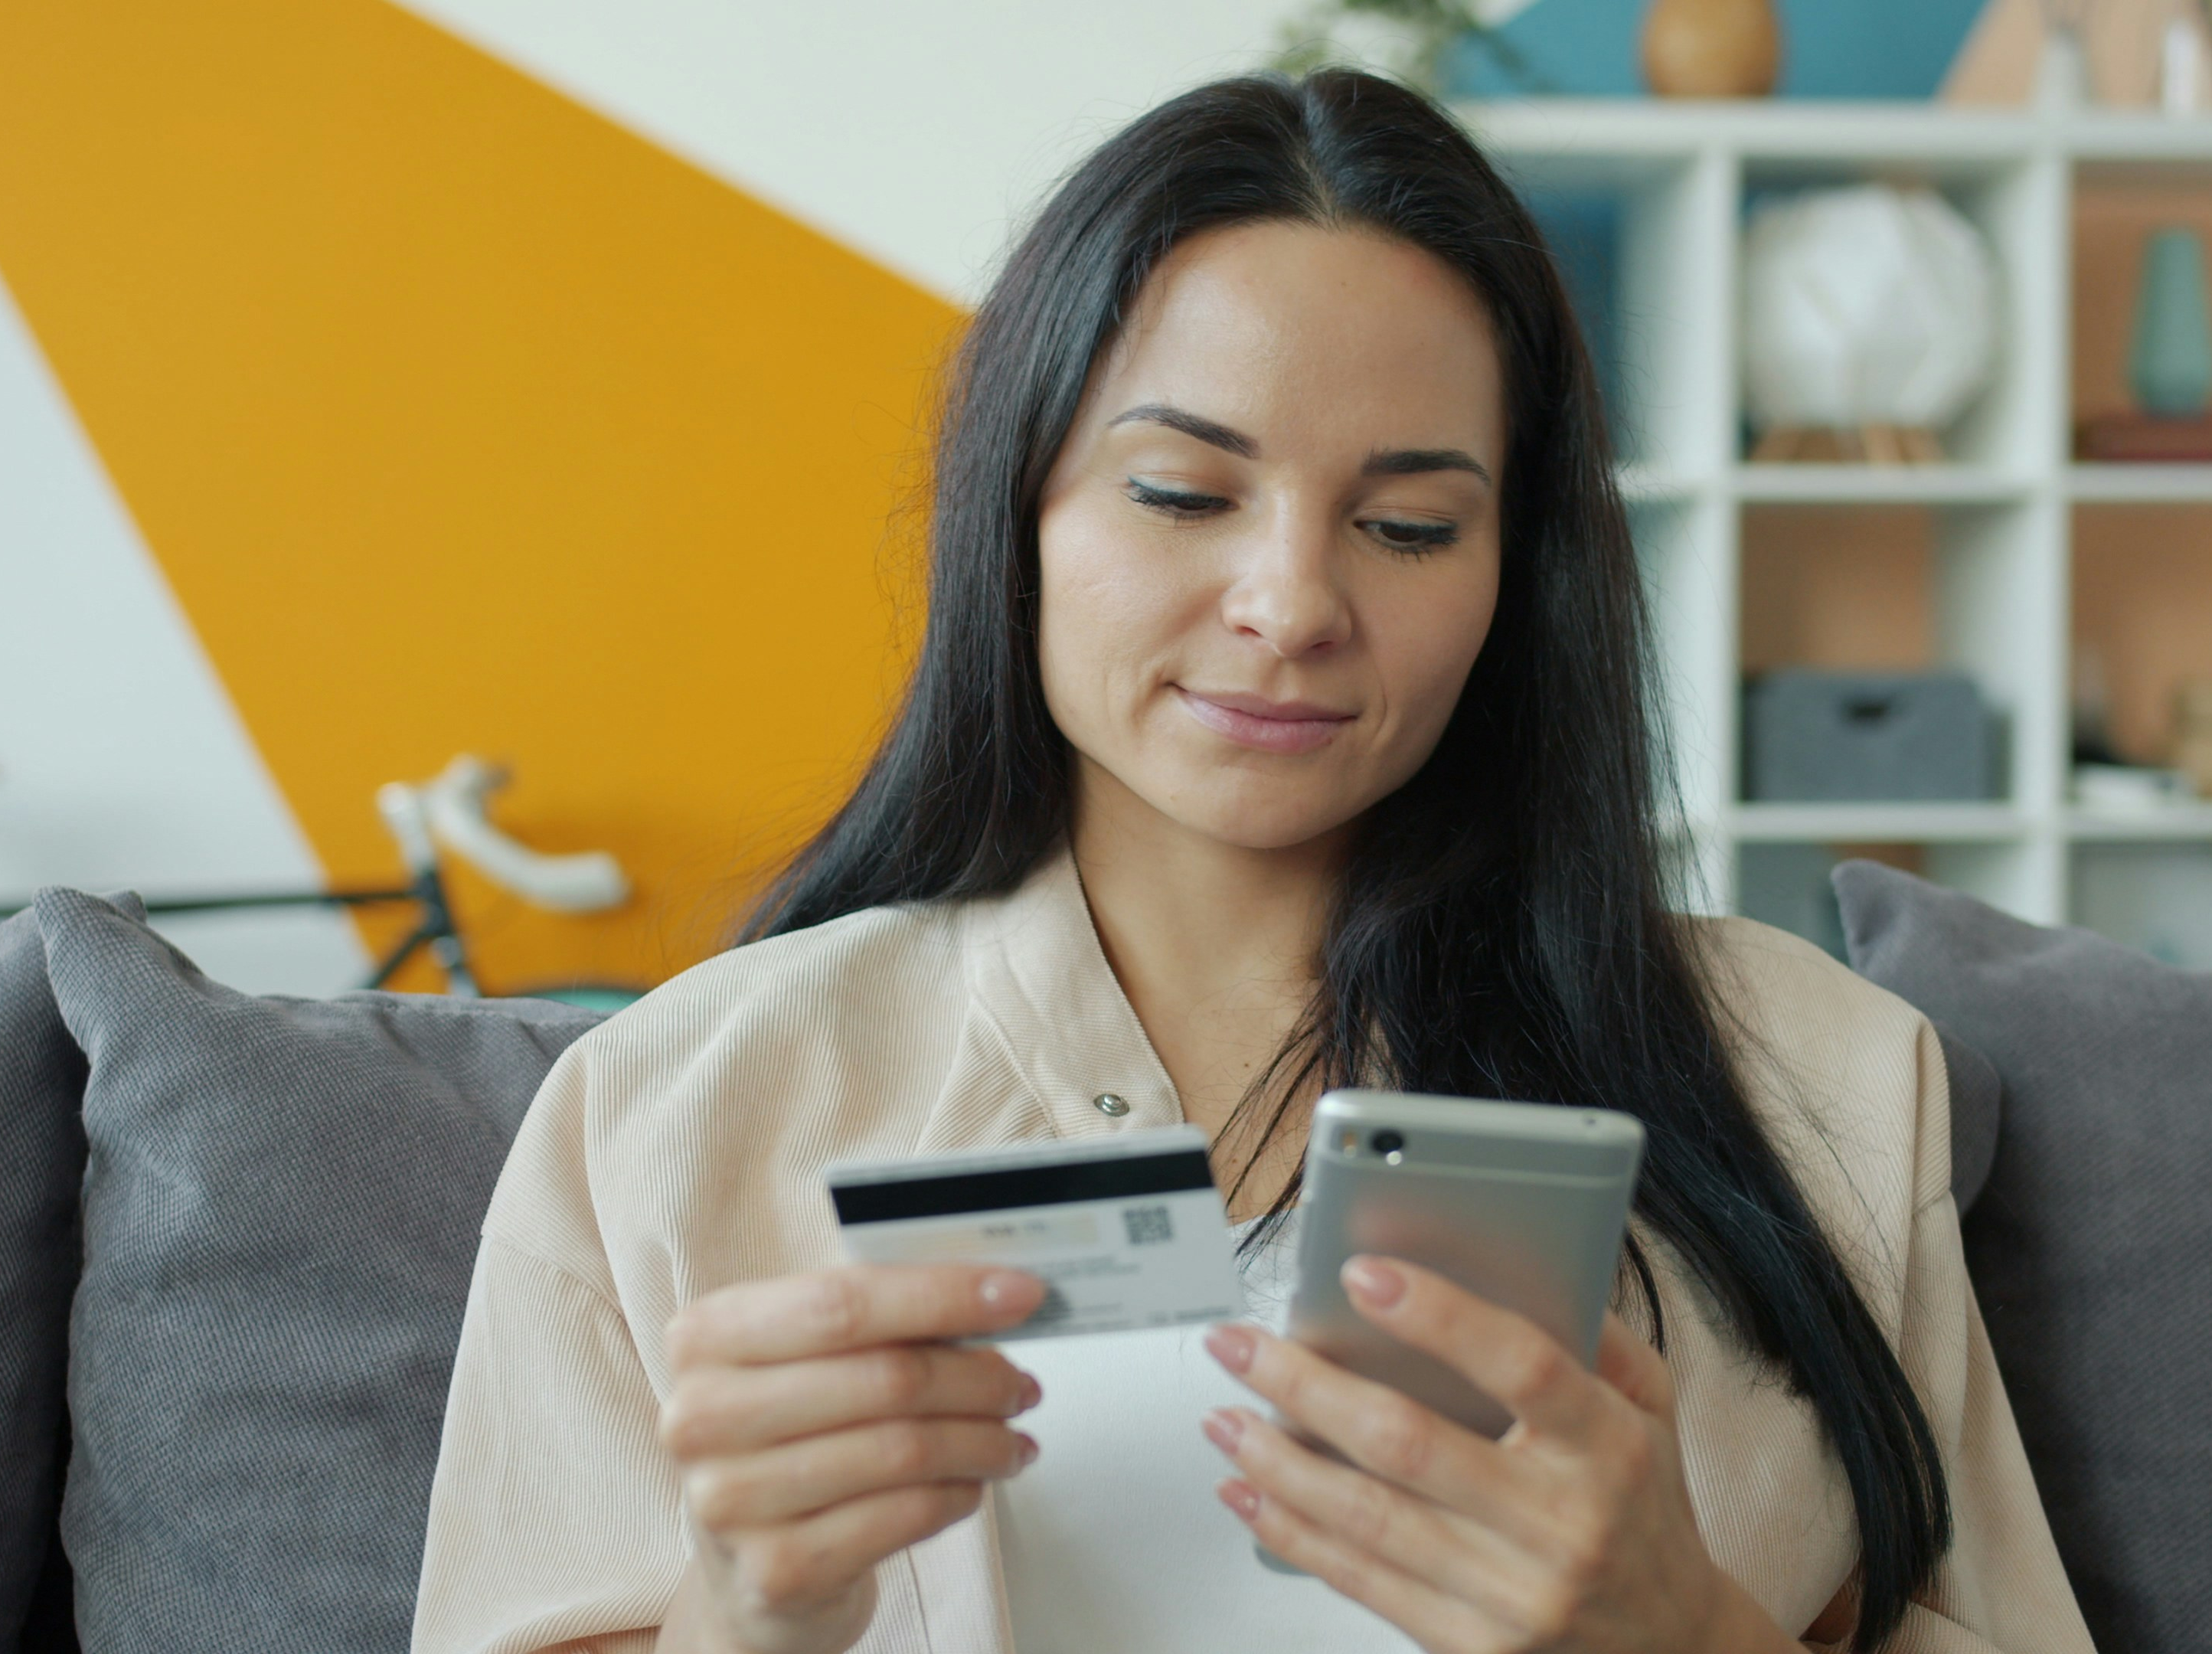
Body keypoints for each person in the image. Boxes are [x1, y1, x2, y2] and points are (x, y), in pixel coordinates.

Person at [412, 69, 2092, 1654]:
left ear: (1518, 575)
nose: (1290, 604)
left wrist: (1687, 1632)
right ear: (1017, 517)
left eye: (1408, 525)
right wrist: (742, 1617)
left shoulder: (1828, 1084)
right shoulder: (672, 1112)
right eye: (1178, 492)